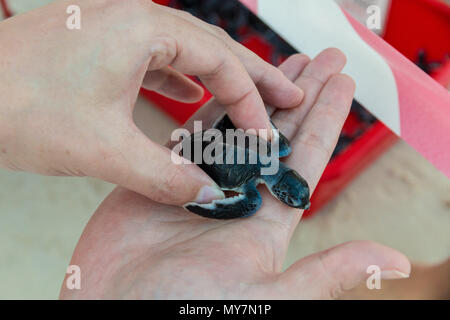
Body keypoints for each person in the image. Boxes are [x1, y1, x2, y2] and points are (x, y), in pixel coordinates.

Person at [0, 0, 410, 299]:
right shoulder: (256, 186)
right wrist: (197, 198)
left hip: (211, 144)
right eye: (293, 194)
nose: (292, 201)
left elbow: (250, 132)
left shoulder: (273, 151)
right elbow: (238, 166)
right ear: (284, 184)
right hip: (200, 153)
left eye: (293, 196)